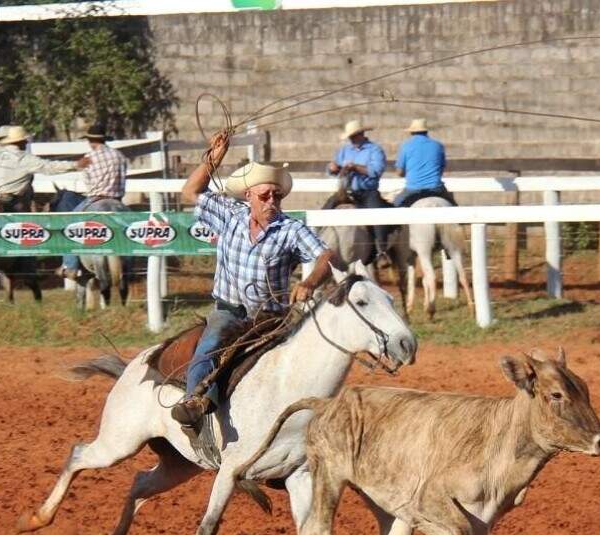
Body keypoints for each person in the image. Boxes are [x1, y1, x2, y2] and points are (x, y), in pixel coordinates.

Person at [170, 130, 341, 430]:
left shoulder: (290, 230)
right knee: (209, 345)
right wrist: (214, 158)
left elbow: (326, 255)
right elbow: (190, 192)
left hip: (270, 316)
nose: (271, 200)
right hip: (230, 310)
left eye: (276, 195)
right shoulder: (229, 214)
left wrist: (310, 282)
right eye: (264, 195)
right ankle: (195, 401)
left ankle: (309, 417)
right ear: (248, 196)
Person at [59, 125, 129, 281]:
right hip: (117, 200)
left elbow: (88, 182)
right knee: (134, 229)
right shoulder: (119, 156)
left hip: (96, 198)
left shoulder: (89, 157)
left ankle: (70, 266)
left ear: (90, 140)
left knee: (69, 225)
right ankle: (131, 263)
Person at [324, 120, 392, 256]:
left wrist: (356, 167)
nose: (352, 139)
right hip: (346, 192)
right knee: (323, 212)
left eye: (354, 136)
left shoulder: (374, 150)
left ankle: (381, 251)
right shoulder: (344, 150)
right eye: (350, 137)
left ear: (361, 134)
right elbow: (332, 170)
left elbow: (376, 171)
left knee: (378, 215)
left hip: (367, 192)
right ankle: (312, 245)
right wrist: (332, 168)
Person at [0, 126, 80, 213]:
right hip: (7, 200)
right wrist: (77, 164)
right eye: (25, 140)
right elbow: (49, 167)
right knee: (22, 200)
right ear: (20, 141)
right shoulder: (24, 158)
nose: (26, 142)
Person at [392, 118, 456, 207]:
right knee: (455, 208)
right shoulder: (438, 145)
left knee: (394, 207)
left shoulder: (406, 146)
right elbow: (441, 169)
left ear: (411, 132)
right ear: (426, 132)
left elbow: (400, 172)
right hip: (436, 188)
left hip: (413, 189)